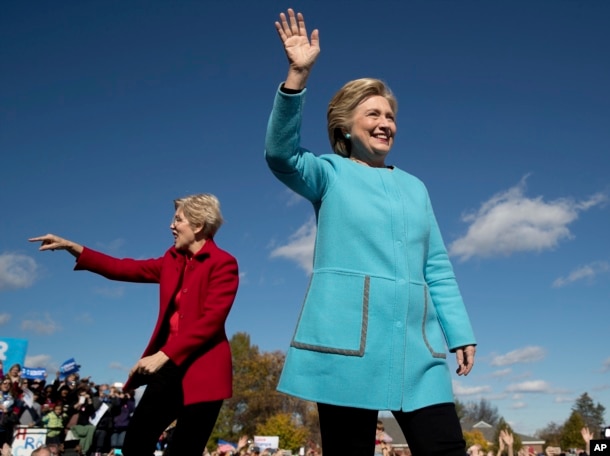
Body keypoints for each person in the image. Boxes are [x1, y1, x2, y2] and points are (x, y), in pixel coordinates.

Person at [265, 9, 476, 456]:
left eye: (391, 115)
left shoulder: (415, 187)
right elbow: (280, 155)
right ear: (345, 125)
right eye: (373, 113)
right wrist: (297, 77)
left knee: (446, 448)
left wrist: (459, 331)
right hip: (347, 346)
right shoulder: (328, 173)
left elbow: (436, 264)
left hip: (416, 348)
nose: (386, 123)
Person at [29, 193, 240, 456]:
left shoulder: (224, 264)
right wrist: (74, 247)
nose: (171, 226)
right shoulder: (171, 262)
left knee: (184, 450)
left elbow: (211, 321)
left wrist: (162, 355)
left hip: (205, 371)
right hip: (169, 369)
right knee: (135, 442)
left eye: (178, 220)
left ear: (197, 226)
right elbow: (121, 267)